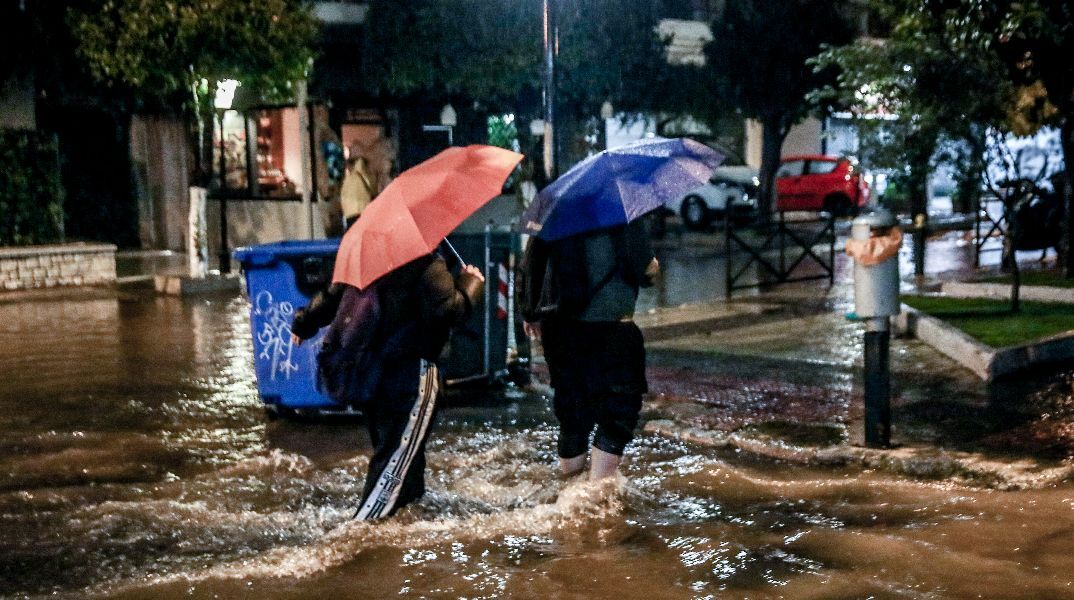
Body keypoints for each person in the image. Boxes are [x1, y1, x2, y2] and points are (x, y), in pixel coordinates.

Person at [290, 251, 484, 518]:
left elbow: (333, 296)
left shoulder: (364, 258)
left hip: (371, 375)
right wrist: (470, 283)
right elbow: (449, 310)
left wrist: (304, 322)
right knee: (394, 463)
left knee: (404, 462)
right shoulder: (425, 263)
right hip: (410, 376)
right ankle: (363, 531)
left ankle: (407, 523)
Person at [521, 217, 659, 481]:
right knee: (618, 413)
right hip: (611, 327)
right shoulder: (622, 211)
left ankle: (570, 488)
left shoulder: (556, 207)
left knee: (573, 414)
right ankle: (595, 492)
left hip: (559, 328)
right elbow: (644, 271)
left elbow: (531, 263)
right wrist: (654, 266)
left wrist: (529, 311)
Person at [339, 154, 376, 230]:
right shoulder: (365, 177)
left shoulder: (350, 179)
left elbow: (344, 197)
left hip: (351, 214)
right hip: (364, 212)